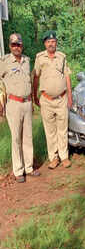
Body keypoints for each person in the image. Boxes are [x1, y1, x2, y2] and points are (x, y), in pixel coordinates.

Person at [0, 33, 40, 183]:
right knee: (16, 138)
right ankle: (18, 170)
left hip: (27, 102)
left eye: (19, 44)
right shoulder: (4, 61)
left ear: (22, 45)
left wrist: (32, 101)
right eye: (13, 45)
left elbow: (29, 81)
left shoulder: (26, 60)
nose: (16, 47)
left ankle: (28, 167)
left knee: (28, 137)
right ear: (10, 46)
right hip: (13, 104)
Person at [33, 31, 73, 169]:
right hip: (46, 100)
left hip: (62, 99)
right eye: (49, 42)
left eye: (53, 41)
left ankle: (64, 157)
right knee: (50, 131)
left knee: (62, 130)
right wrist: (34, 96)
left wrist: (70, 97)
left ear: (56, 43)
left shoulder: (62, 57)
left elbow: (67, 77)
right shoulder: (39, 58)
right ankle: (53, 158)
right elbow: (36, 78)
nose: (51, 44)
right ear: (45, 43)